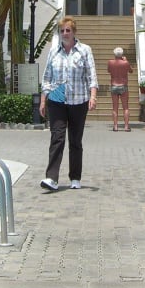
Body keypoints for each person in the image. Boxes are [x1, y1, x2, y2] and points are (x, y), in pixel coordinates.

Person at [39, 16, 98, 191]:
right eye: (62, 31)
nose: (65, 33)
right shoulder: (53, 52)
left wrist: (93, 97)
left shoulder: (84, 50)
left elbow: (91, 75)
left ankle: (75, 177)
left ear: (74, 32)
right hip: (57, 100)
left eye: (68, 30)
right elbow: (47, 77)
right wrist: (43, 100)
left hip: (79, 101)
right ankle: (51, 178)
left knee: (75, 140)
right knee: (57, 138)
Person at [107, 46, 133, 132]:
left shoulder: (110, 62)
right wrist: (125, 61)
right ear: (122, 54)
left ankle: (115, 126)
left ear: (114, 54)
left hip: (114, 85)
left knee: (115, 107)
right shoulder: (125, 63)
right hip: (123, 85)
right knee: (125, 107)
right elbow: (131, 71)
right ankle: (126, 126)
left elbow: (109, 71)